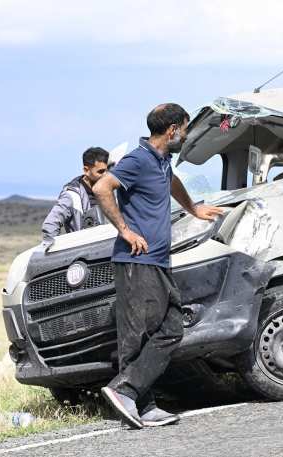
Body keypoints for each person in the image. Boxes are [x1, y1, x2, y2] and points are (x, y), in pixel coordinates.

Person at [93, 103, 223, 429]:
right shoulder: (137, 159)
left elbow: (172, 181)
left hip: (158, 261)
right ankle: (128, 394)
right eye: (186, 127)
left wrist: (194, 209)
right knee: (137, 337)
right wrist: (125, 230)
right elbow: (101, 187)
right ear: (172, 130)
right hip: (137, 260)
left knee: (170, 329)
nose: (187, 134)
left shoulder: (162, 161)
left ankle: (139, 402)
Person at [41, 147, 109, 237]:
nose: (106, 175)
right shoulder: (71, 196)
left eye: (108, 170)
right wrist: (63, 249)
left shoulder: (109, 189)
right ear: (86, 170)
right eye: (100, 171)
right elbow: (50, 226)